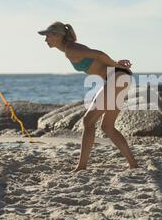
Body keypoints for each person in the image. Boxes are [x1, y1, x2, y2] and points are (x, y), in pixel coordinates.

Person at [38, 21, 138, 171]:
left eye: (47, 36)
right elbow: (97, 57)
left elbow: (98, 54)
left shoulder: (71, 49)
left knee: (88, 121)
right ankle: (133, 165)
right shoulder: (70, 48)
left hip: (117, 77)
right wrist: (116, 64)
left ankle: (82, 166)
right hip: (119, 78)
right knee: (107, 126)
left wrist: (116, 63)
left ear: (57, 36)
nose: (45, 40)